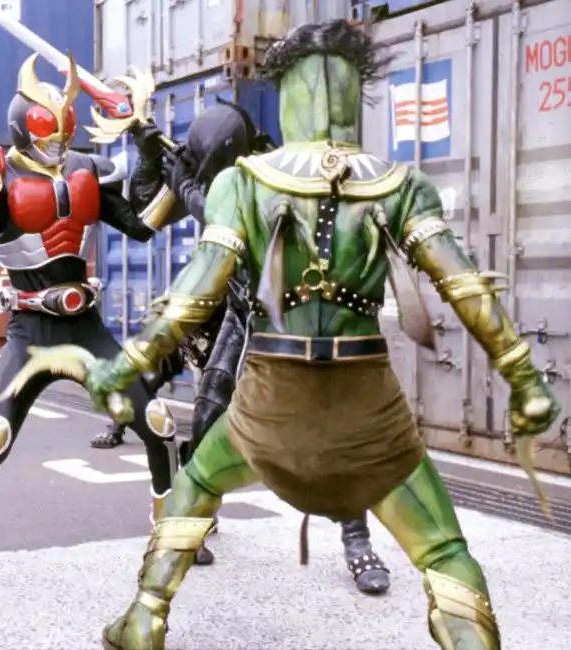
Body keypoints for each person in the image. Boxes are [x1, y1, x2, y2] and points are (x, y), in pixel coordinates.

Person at [26, 20, 560, 650]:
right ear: (356, 88)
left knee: (195, 482)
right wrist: (525, 379)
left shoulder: (243, 182)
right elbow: (464, 286)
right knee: (444, 550)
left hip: (267, 412)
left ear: (286, 89)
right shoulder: (402, 185)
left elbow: (197, 292)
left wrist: (127, 363)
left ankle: (145, 616)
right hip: (372, 419)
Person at [0, 53, 191, 592]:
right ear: (24, 126)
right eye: (50, 129)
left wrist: (163, 169)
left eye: (64, 129)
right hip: (31, 332)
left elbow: (142, 224)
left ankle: (173, 534)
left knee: (159, 425)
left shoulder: (86, 170)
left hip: (85, 328)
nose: (58, 140)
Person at [118, 100, 392, 590]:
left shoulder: (282, 176)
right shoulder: (210, 177)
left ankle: (357, 539)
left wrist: (189, 189)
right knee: (208, 409)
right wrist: (151, 155)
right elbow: (144, 215)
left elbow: (246, 225)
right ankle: (192, 520)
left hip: (299, 319)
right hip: (243, 309)